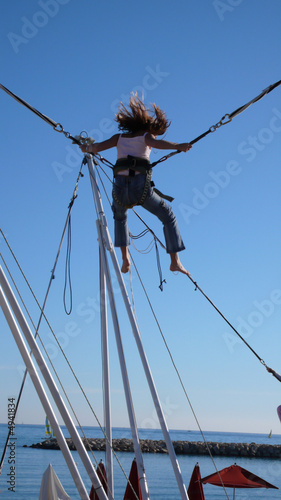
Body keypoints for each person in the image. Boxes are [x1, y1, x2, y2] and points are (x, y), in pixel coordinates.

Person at [80, 94, 192, 275]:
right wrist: (178, 146)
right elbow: (157, 143)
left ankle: (125, 258)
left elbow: (96, 148)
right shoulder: (146, 136)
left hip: (119, 190)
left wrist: (85, 148)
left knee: (120, 218)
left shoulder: (119, 138)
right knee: (168, 216)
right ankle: (175, 261)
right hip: (140, 188)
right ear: (147, 128)